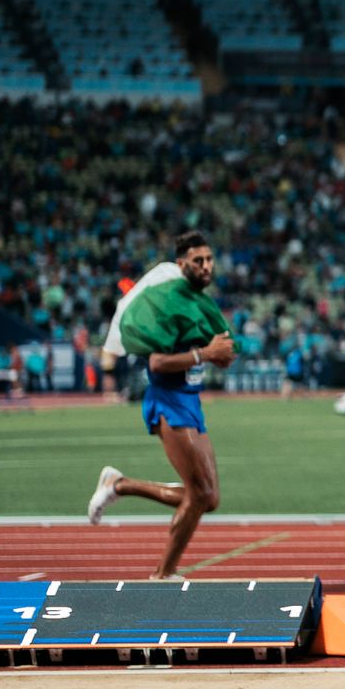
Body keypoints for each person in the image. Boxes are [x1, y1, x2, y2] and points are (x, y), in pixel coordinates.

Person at [84, 231, 237, 579]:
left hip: (191, 401)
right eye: (198, 261)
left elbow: (212, 345)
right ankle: (162, 574)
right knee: (198, 496)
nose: (206, 266)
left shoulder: (198, 303)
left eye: (210, 259)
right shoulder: (167, 302)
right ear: (181, 264)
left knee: (208, 497)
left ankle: (119, 485)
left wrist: (218, 354)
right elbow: (156, 363)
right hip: (167, 401)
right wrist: (205, 354)